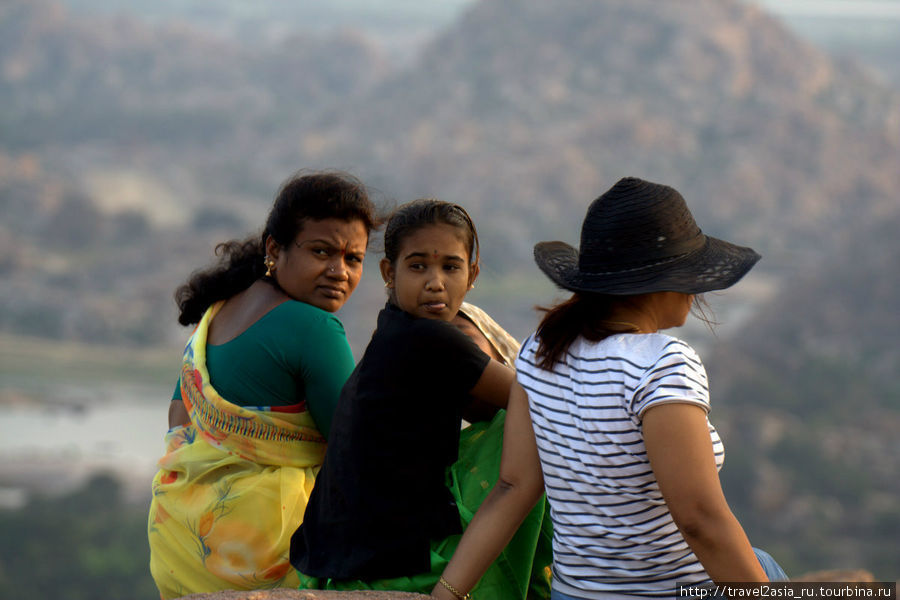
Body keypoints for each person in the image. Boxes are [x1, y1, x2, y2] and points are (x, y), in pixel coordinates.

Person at [432, 177, 787, 600]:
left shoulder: (539, 352)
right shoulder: (662, 363)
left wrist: (447, 594)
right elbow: (699, 521)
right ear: (665, 281)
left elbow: (513, 487)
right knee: (766, 569)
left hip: (576, 595)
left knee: (761, 560)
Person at [290, 199, 551, 598]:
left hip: (345, 561)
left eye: (450, 267)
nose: (435, 283)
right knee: (535, 420)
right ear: (388, 272)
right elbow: (536, 398)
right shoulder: (432, 337)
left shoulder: (392, 331)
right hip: (401, 562)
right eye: (417, 266)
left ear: (472, 274)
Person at [147, 171, 378, 599]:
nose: (338, 271)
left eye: (353, 259)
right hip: (261, 553)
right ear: (275, 248)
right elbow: (355, 453)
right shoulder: (314, 327)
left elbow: (178, 415)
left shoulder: (220, 309)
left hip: (177, 539)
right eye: (321, 251)